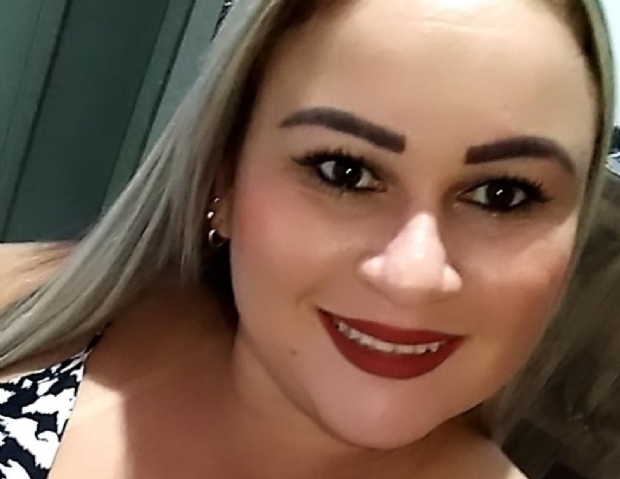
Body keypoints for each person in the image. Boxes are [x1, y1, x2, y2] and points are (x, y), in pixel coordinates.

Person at [0, 0, 615, 478]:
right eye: (345, 172)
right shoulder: (32, 310)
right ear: (224, 176)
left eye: (502, 195)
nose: (414, 274)